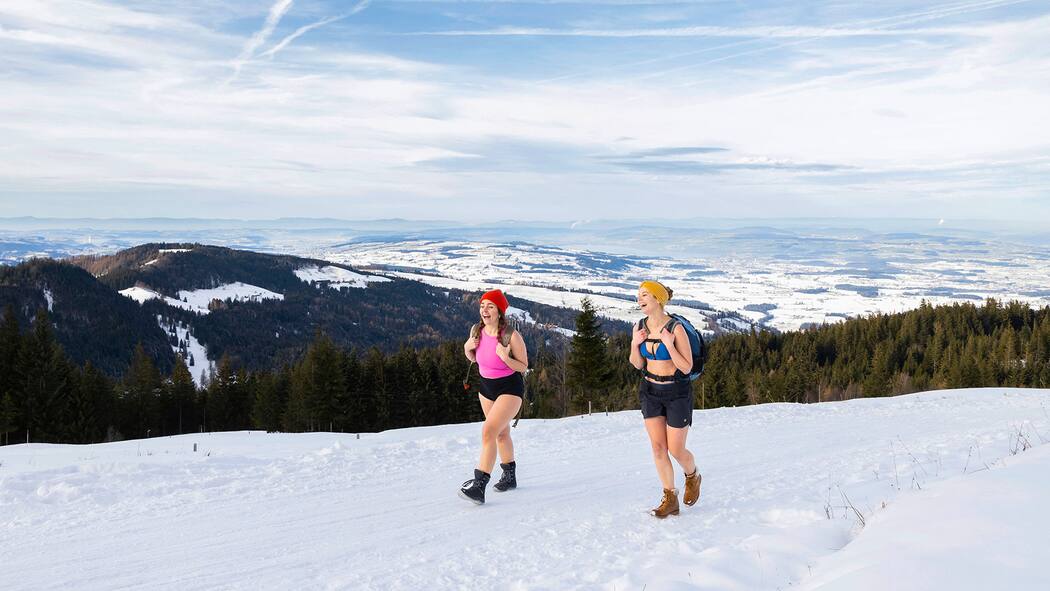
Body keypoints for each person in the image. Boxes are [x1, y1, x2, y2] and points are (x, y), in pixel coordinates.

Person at [629, 280, 702, 518]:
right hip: (650, 391)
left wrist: (670, 345)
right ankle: (670, 497)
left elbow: (687, 367)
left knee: (676, 449)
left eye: (645, 295)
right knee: (658, 448)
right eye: (639, 295)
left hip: (676, 393)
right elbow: (637, 363)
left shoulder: (675, 328)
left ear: (658, 299)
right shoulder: (639, 326)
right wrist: (634, 343)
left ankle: (693, 476)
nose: (639, 299)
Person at [459, 289, 529, 504]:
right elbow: (475, 358)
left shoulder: (511, 335)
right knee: (500, 433)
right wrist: (466, 348)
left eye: (490, 306)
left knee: (488, 431)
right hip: (486, 388)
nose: (484, 310)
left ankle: (479, 485)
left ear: (499, 311)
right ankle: (509, 476)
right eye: (482, 306)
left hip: (510, 388)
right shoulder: (476, 331)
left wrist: (505, 358)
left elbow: (524, 366)